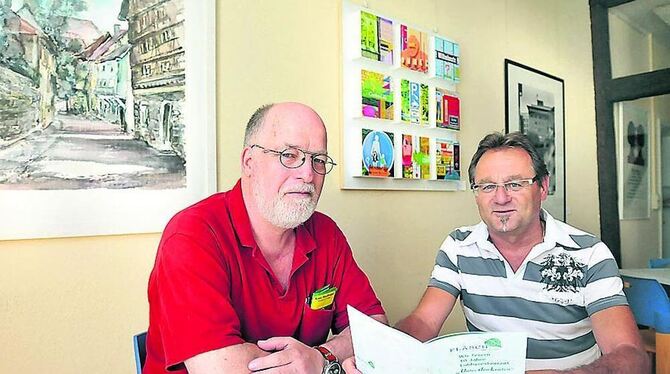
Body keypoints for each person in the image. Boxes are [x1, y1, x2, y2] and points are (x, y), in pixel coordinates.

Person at [345, 132, 649, 373]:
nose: (501, 198)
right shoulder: (458, 247)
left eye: (515, 184)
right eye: (487, 186)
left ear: (542, 187)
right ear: (476, 194)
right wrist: (384, 357)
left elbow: (631, 356)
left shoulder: (589, 254)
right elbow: (424, 322)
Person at [144, 102, 387, 373]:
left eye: (318, 160)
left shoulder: (326, 233)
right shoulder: (192, 235)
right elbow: (222, 369)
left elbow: (375, 327)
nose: (308, 174)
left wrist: (322, 357)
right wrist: (319, 358)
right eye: (289, 155)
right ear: (249, 162)